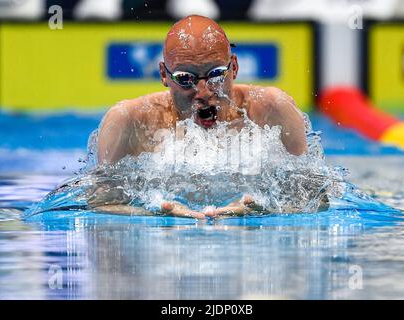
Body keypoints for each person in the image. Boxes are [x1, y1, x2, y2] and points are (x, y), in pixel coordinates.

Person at [93, 15, 308, 219]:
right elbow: (100, 203)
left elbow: (315, 198)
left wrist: (268, 211)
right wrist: (153, 213)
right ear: (163, 75)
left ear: (233, 68)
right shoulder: (129, 121)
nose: (203, 92)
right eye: (185, 78)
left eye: (215, 74)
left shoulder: (272, 111)